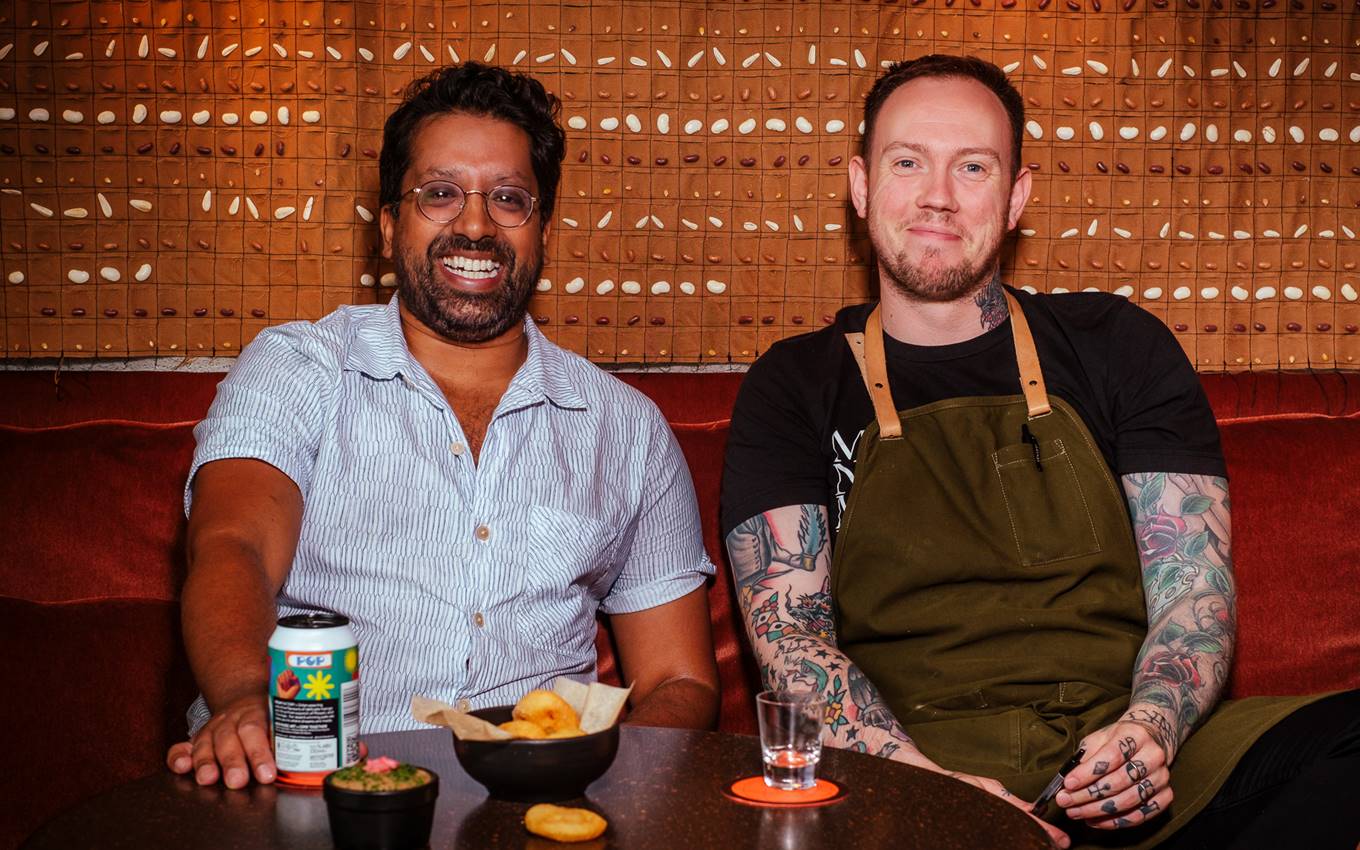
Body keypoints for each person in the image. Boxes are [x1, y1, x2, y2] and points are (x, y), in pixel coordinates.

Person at [721, 54, 1359, 850]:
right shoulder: (795, 384)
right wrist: (928, 790)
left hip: (1118, 753)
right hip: (912, 766)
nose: (939, 196)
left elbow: (1195, 593)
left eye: (974, 166)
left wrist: (1149, 733)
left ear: (1017, 197)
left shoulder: (1118, 346)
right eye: (908, 162)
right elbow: (793, 640)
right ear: (860, 186)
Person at [167, 62, 720, 790]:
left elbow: (680, 681)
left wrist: (587, 783)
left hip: (532, 805)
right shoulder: (297, 368)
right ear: (391, 223)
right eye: (440, 193)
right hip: (312, 785)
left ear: (542, 229)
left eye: (509, 199)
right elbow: (232, 544)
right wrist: (242, 701)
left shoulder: (627, 429)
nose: (475, 223)